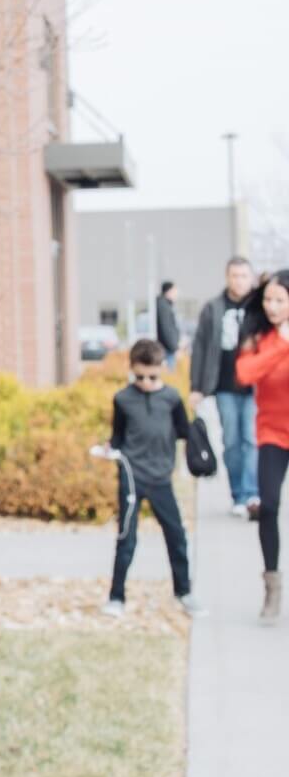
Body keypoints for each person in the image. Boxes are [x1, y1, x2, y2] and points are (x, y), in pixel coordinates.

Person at [97, 339, 203, 618]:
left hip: (161, 478)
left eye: (152, 377)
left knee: (176, 535)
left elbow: (184, 432)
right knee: (126, 538)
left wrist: (195, 419)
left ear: (161, 369)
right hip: (132, 477)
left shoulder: (172, 398)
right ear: (132, 370)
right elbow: (118, 435)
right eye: (139, 376)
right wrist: (110, 447)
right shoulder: (122, 399)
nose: (145, 382)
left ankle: (184, 591)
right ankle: (116, 596)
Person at [235, 268, 289, 624]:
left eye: (280, 300)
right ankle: (272, 585)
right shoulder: (258, 335)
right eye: (268, 299)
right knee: (267, 507)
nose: (271, 306)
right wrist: (283, 344)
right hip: (272, 433)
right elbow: (245, 373)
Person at [190, 257, 260, 519]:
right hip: (224, 385)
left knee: (251, 439)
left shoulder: (260, 306)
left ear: (251, 278)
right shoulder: (214, 307)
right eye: (234, 275)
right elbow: (200, 347)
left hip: (254, 387)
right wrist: (196, 386)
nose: (239, 281)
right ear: (227, 277)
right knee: (231, 441)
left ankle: (252, 493)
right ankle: (238, 495)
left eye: (244, 276)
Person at [156, 280, 181, 368]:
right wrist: (174, 348)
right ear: (169, 291)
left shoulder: (164, 305)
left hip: (166, 348)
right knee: (169, 373)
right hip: (167, 350)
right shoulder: (164, 307)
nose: (176, 294)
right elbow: (167, 329)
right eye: (175, 291)